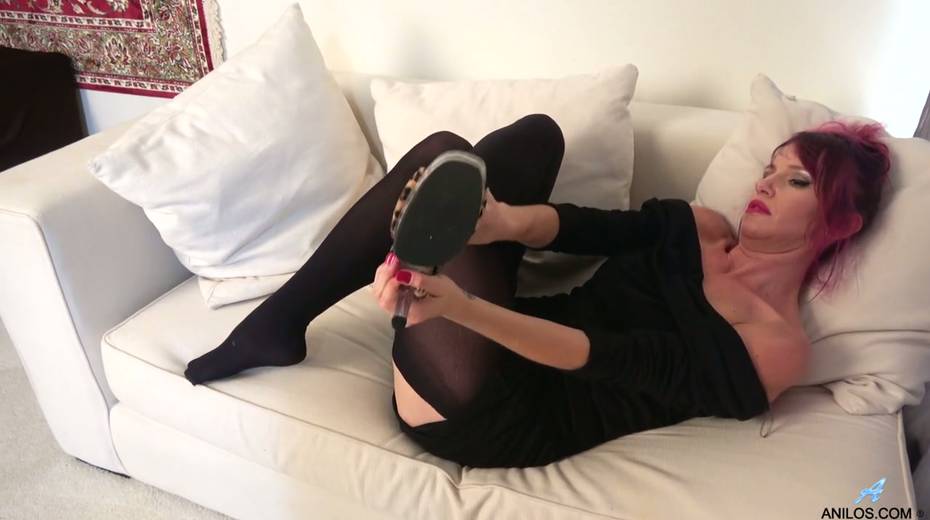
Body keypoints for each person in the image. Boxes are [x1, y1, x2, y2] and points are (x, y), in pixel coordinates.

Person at [185, 114, 891, 468]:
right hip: (498, 326)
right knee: (527, 140)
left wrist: (464, 309)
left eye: (796, 180)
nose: (766, 183)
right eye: (770, 167)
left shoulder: (776, 344)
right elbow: (589, 229)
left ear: (841, 221)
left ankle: (282, 322)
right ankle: (309, 312)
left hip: (503, 405)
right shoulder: (701, 227)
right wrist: (503, 223)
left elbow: (603, 357)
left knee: (440, 160)